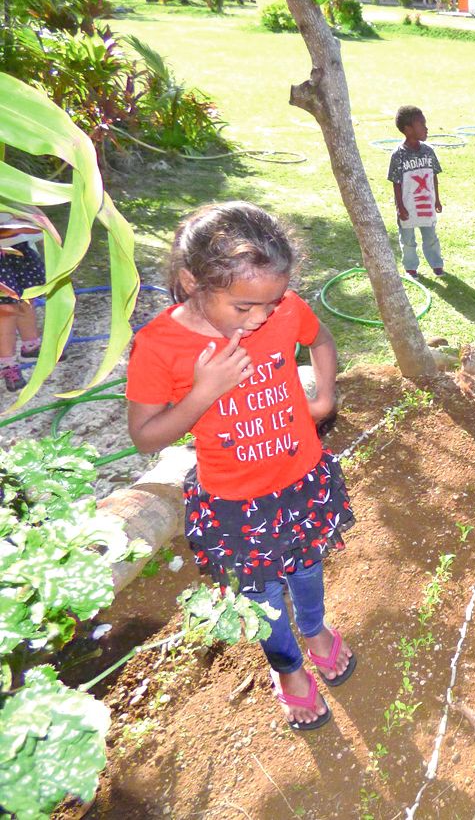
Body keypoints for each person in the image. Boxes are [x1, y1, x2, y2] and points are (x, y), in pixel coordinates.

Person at [125, 202, 355, 732]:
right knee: (261, 592)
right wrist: (205, 391)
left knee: (306, 565)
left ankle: (316, 630)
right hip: (234, 498)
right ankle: (288, 666)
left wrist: (324, 397)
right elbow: (145, 436)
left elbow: (319, 338)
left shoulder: (284, 309)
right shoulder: (161, 346)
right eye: (245, 306)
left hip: (299, 479)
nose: (261, 318)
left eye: (271, 304)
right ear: (192, 281)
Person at [388, 105, 444, 278]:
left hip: (426, 203)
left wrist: (437, 200)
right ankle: (411, 267)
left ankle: (436, 264)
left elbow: (433, 175)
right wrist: (400, 207)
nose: (426, 128)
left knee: (430, 236)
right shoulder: (398, 155)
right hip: (408, 205)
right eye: (421, 124)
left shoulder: (428, 151)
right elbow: (396, 183)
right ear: (408, 129)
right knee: (408, 239)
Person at [0, 211, 46, 393]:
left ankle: (31, 347)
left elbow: (24, 198)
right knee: (5, 310)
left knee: (27, 298)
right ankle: (7, 364)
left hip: (16, 244)